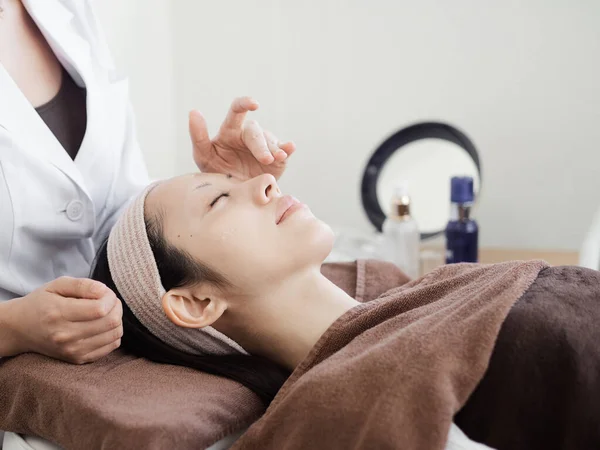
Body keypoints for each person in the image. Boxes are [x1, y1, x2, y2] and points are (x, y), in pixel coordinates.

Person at [91, 172, 600, 450]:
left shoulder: (444, 287)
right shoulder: (346, 403)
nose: (265, 181)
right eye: (219, 199)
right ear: (196, 303)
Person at [0, 1, 294, 446]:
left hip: (123, 345)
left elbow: (110, 210)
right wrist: (13, 325)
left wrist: (223, 189)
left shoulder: (65, 9)